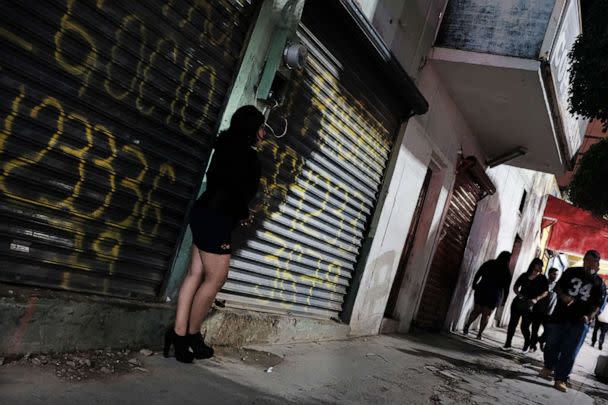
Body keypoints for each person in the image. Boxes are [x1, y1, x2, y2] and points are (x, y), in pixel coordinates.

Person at [163, 105, 266, 363]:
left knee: (195, 274)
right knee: (215, 279)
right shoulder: (249, 158)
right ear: (253, 130)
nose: (264, 133)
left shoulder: (224, 146)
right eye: (262, 127)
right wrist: (243, 213)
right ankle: (192, 336)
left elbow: (222, 183)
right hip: (216, 220)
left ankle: (178, 334)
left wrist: (239, 210)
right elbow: (234, 191)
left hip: (202, 212)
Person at [539, 250, 606, 392]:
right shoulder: (571, 272)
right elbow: (558, 287)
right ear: (584, 260)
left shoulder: (599, 283)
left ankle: (560, 379)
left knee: (570, 351)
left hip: (580, 322)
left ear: (597, 263)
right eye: (587, 259)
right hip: (560, 315)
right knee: (551, 343)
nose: (589, 263)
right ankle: (548, 367)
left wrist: (589, 316)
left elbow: (598, 304)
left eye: (593, 261)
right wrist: (563, 296)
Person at [501, 258, 548, 352]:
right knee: (512, 324)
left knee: (524, 326)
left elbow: (545, 292)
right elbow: (515, 287)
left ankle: (527, 343)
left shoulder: (542, 278)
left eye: (541, 265)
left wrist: (536, 299)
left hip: (530, 305)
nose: (540, 267)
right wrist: (519, 295)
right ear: (533, 265)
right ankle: (507, 344)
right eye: (538, 264)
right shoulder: (524, 275)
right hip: (518, 303)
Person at [463, 251, 512, 340]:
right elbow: (506, 288)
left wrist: (474, 283)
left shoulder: (489, 263)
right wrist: (504, 300)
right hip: (494, 293)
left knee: (476, 310)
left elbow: (479, 273)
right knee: (486, 314)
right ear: (508, 260)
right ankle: (479, 334)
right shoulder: (506, 271)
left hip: (482, 288)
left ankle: (467, 326)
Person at [530, 267, 560, 352]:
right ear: (549, 274)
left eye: (557, 274)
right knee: (534, 329)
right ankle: (532, 345)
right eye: (554, 274)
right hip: (539, 310)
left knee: (548, 331)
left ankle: (541, 340)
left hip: (549, 313)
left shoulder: (558, 286)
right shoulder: (543, 282)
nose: (556, 276)